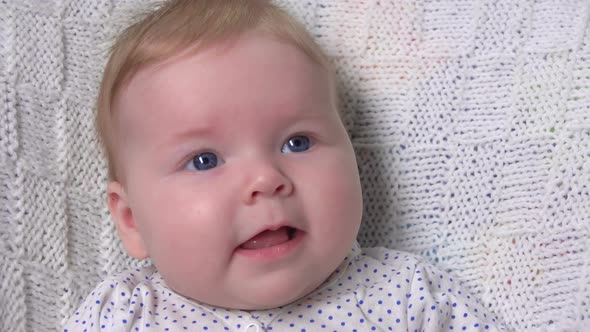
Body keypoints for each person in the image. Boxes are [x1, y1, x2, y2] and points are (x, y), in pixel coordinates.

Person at [64, 0, 505, 331]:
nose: (265, 179)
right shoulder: (123, 313)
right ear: (132, 220)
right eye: (204, 160)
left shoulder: (408, 294)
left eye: (297, 142)